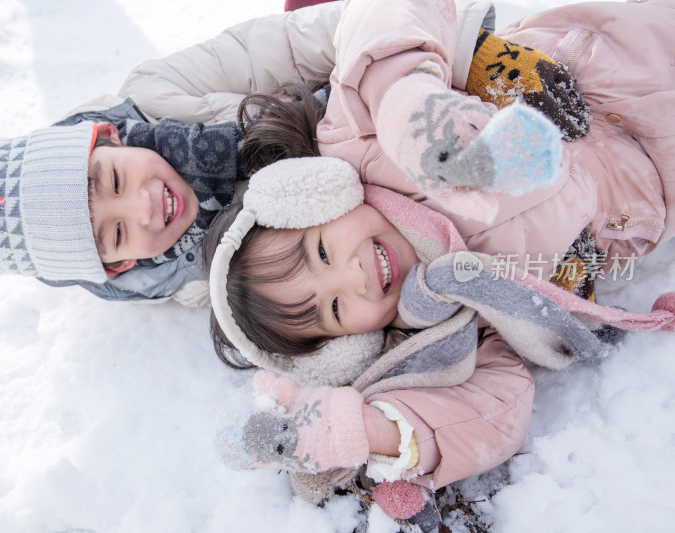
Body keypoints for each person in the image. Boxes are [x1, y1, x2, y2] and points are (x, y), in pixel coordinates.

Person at [205, 0, 675, 527]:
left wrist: (408, 108)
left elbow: (384, 18)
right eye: (335, 307)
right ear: (348, 346)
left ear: (316, 198)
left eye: (321, 251)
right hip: (655, 181)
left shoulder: (358, 143)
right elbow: (497, 405)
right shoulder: (450, 326)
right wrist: (372, 429)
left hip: (618, 52)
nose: (353, 276)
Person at [0, 0, 583, 307]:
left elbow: (306, 41)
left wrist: (449, 56)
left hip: (358, 96)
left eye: (111, 179)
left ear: (109, 137)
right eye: (116, 232)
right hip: (371, 200)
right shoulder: (184, 282)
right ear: (119, 265)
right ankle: (555, 256)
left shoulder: (157, 94)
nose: (143, 206)